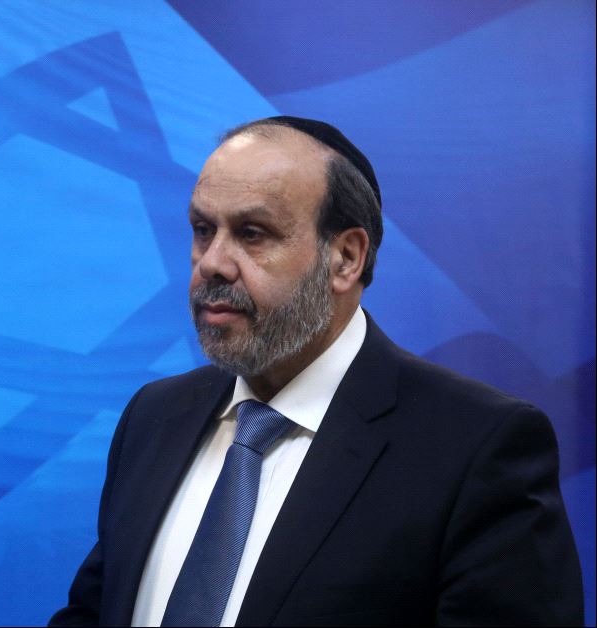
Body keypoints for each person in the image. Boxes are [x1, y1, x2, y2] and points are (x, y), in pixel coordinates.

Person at [49, 116, 583, 626]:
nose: (212, 262)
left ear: (346, 258)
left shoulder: (475, 447)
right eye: (203, 230)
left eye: (253, 233)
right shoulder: (155, 416)